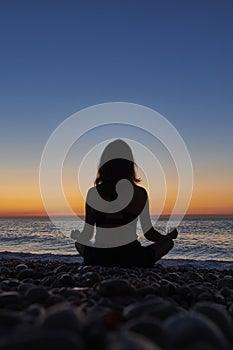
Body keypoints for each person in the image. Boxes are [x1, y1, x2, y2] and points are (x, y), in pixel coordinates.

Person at [71, 139, 178, 267]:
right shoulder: (140, 193)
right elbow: (149, 234)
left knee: (79, 243)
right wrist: (167, 236)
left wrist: (77, 236)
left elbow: (87, 235)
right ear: (129, 165)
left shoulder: (93, 193)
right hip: (132, 257)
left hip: (99, 257)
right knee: (168, 243)